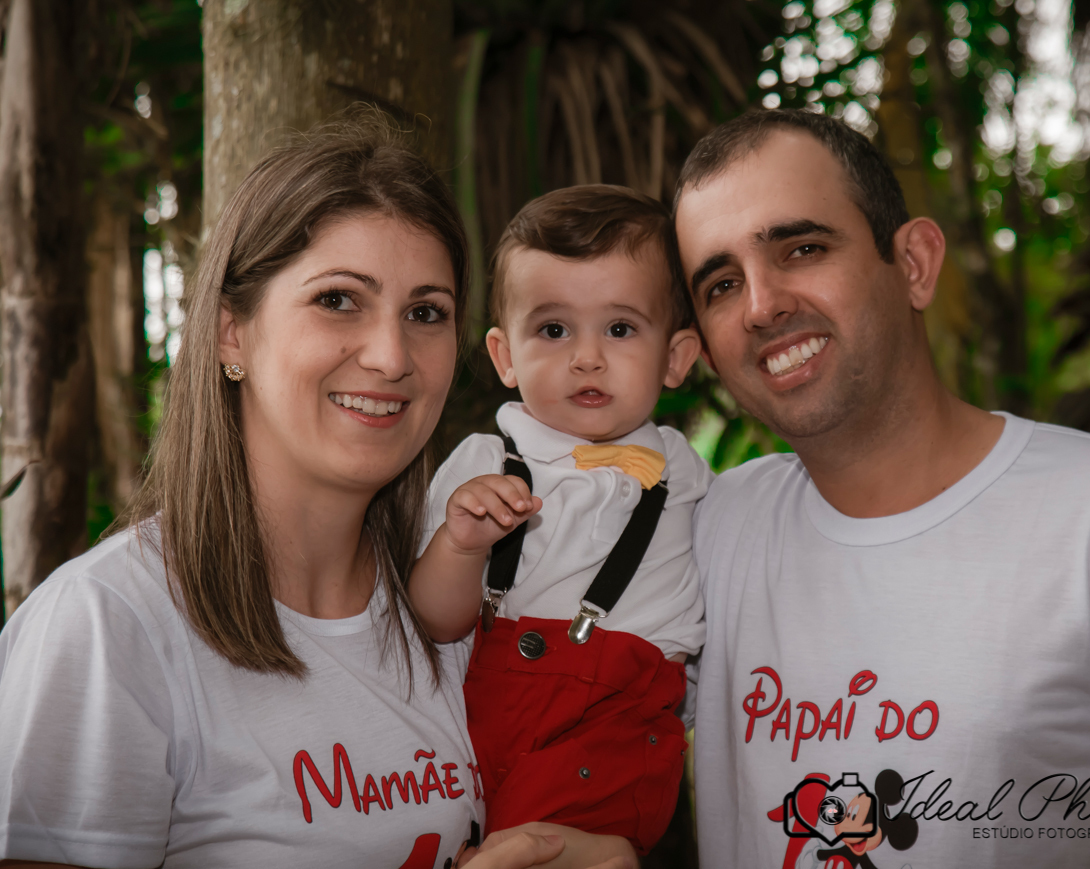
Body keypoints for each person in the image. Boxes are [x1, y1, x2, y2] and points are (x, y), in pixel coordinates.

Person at [0, 114, 633, 869]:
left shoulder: (461, 604)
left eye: (425, 312)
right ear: (232, 332)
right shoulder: (109, 626)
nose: (391, 355)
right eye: (338, 299)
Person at [672, 109, 1090, 869]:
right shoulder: (706, 533)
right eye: (721, 284)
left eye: (803, 247)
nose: (761, 306)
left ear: (914, 263)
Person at [409, 185, 709, 854]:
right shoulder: (485, 462)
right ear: (503, 355)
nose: (586, 356)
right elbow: (433, 618)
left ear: (678, 356)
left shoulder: (686, 475)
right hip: (486, 724)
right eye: (553, 329)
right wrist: (461, 544)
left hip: (619, 732)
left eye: (621, 328)